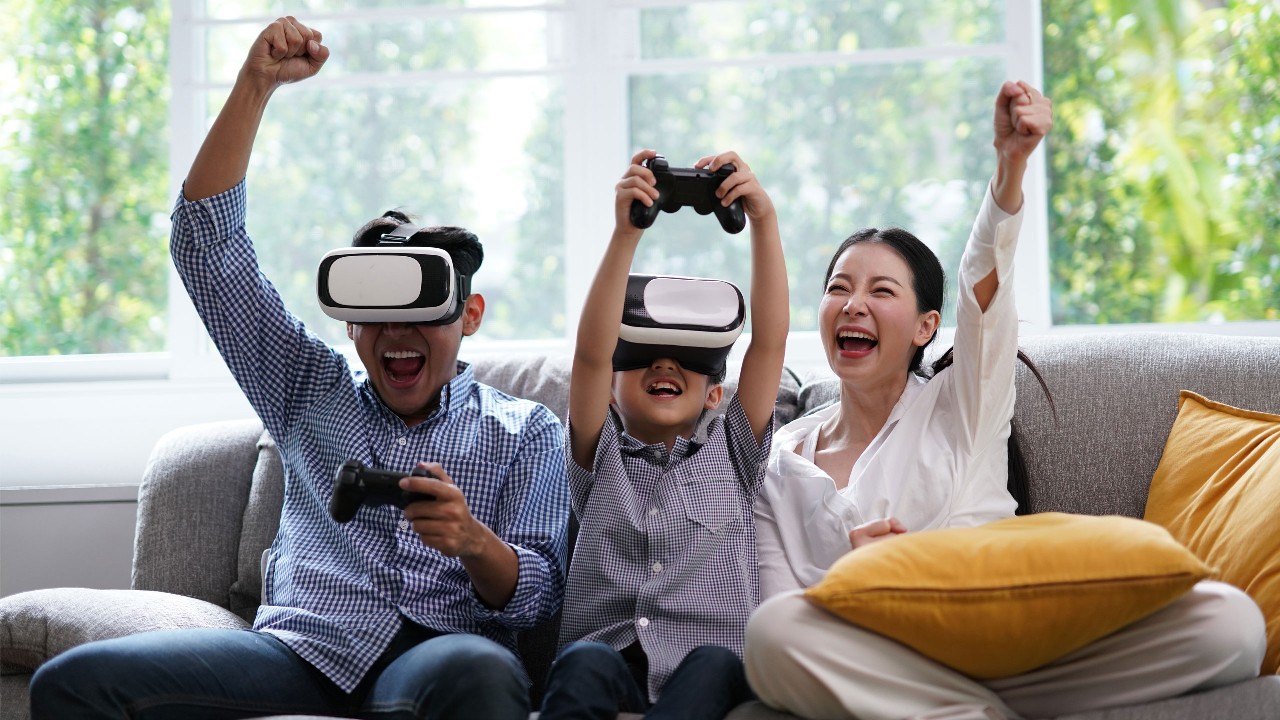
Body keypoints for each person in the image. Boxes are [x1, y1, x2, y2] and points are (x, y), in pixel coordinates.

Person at [29, 17, 568, 720]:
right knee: (70, 683)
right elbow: (204, 249)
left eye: (423, 309)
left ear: (469, 315)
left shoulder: (526, 431)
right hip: (303, 653)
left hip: (442, 652)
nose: (397, 332)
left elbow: (539, 597)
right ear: (349, 319)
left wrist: (472, 542)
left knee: (480, 670)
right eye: (376, 310)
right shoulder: (304, 385)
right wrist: (256, 85)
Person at [744, 81, 1266, 720]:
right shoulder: (778, 457)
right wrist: (860, 586)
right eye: (838, 288)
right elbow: (774, 606)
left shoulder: (963, 404)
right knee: (772, 640)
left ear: (926, 326)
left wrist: (1009, 166)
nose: (853, 304)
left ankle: (966, 710)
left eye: (881, 291)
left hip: (1019, 655)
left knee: (1230, 623)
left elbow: (983, 292)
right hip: (880, 663)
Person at [537, 149, 789, 720]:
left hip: (706, 668)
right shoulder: (596, 454)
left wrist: (764, 221)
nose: (665, 366)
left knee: (717, 663)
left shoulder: (732, 451)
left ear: (716, 394)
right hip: (608, 658)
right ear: (608, 389)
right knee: (581, 664)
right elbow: (590, 352)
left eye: (689, 363)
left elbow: (769, 343)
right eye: (643, 357)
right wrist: (625, 234)